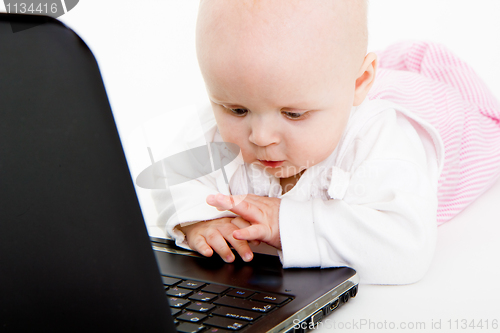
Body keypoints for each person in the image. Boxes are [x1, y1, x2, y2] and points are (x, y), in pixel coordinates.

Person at [152, 0, 500, 284]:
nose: (260, 137)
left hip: (449, 122)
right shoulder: (242, 103)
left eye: (293, 114)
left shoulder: (380, 141)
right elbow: (169, 176)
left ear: (359, 83)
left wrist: (285, 224)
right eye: (237, 110)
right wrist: (197, 220)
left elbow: (405, 248)